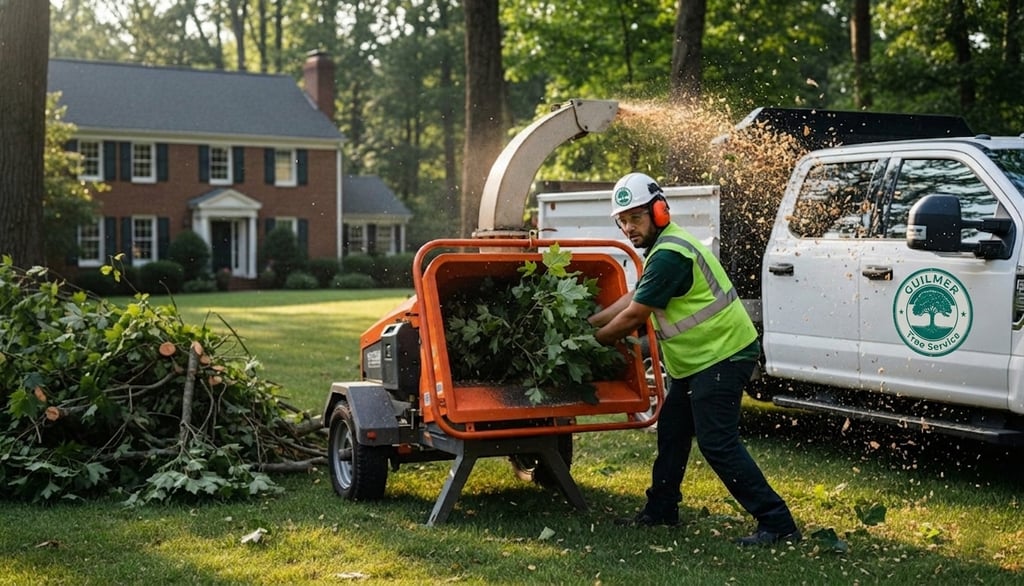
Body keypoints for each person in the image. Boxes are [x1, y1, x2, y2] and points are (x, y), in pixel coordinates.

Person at [589, 172, 801, 547]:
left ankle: (777, 523)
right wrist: (590, 324)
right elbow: (633, 298)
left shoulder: (671, 253)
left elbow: (636, 315)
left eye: (635, 218)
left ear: (659, 211)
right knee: (672, 433)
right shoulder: (664, 249)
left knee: (717, 442)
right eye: (622, 220)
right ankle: (661, 511)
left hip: (722, 355)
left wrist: (591, 342)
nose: (628, 228)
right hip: (698, 362)